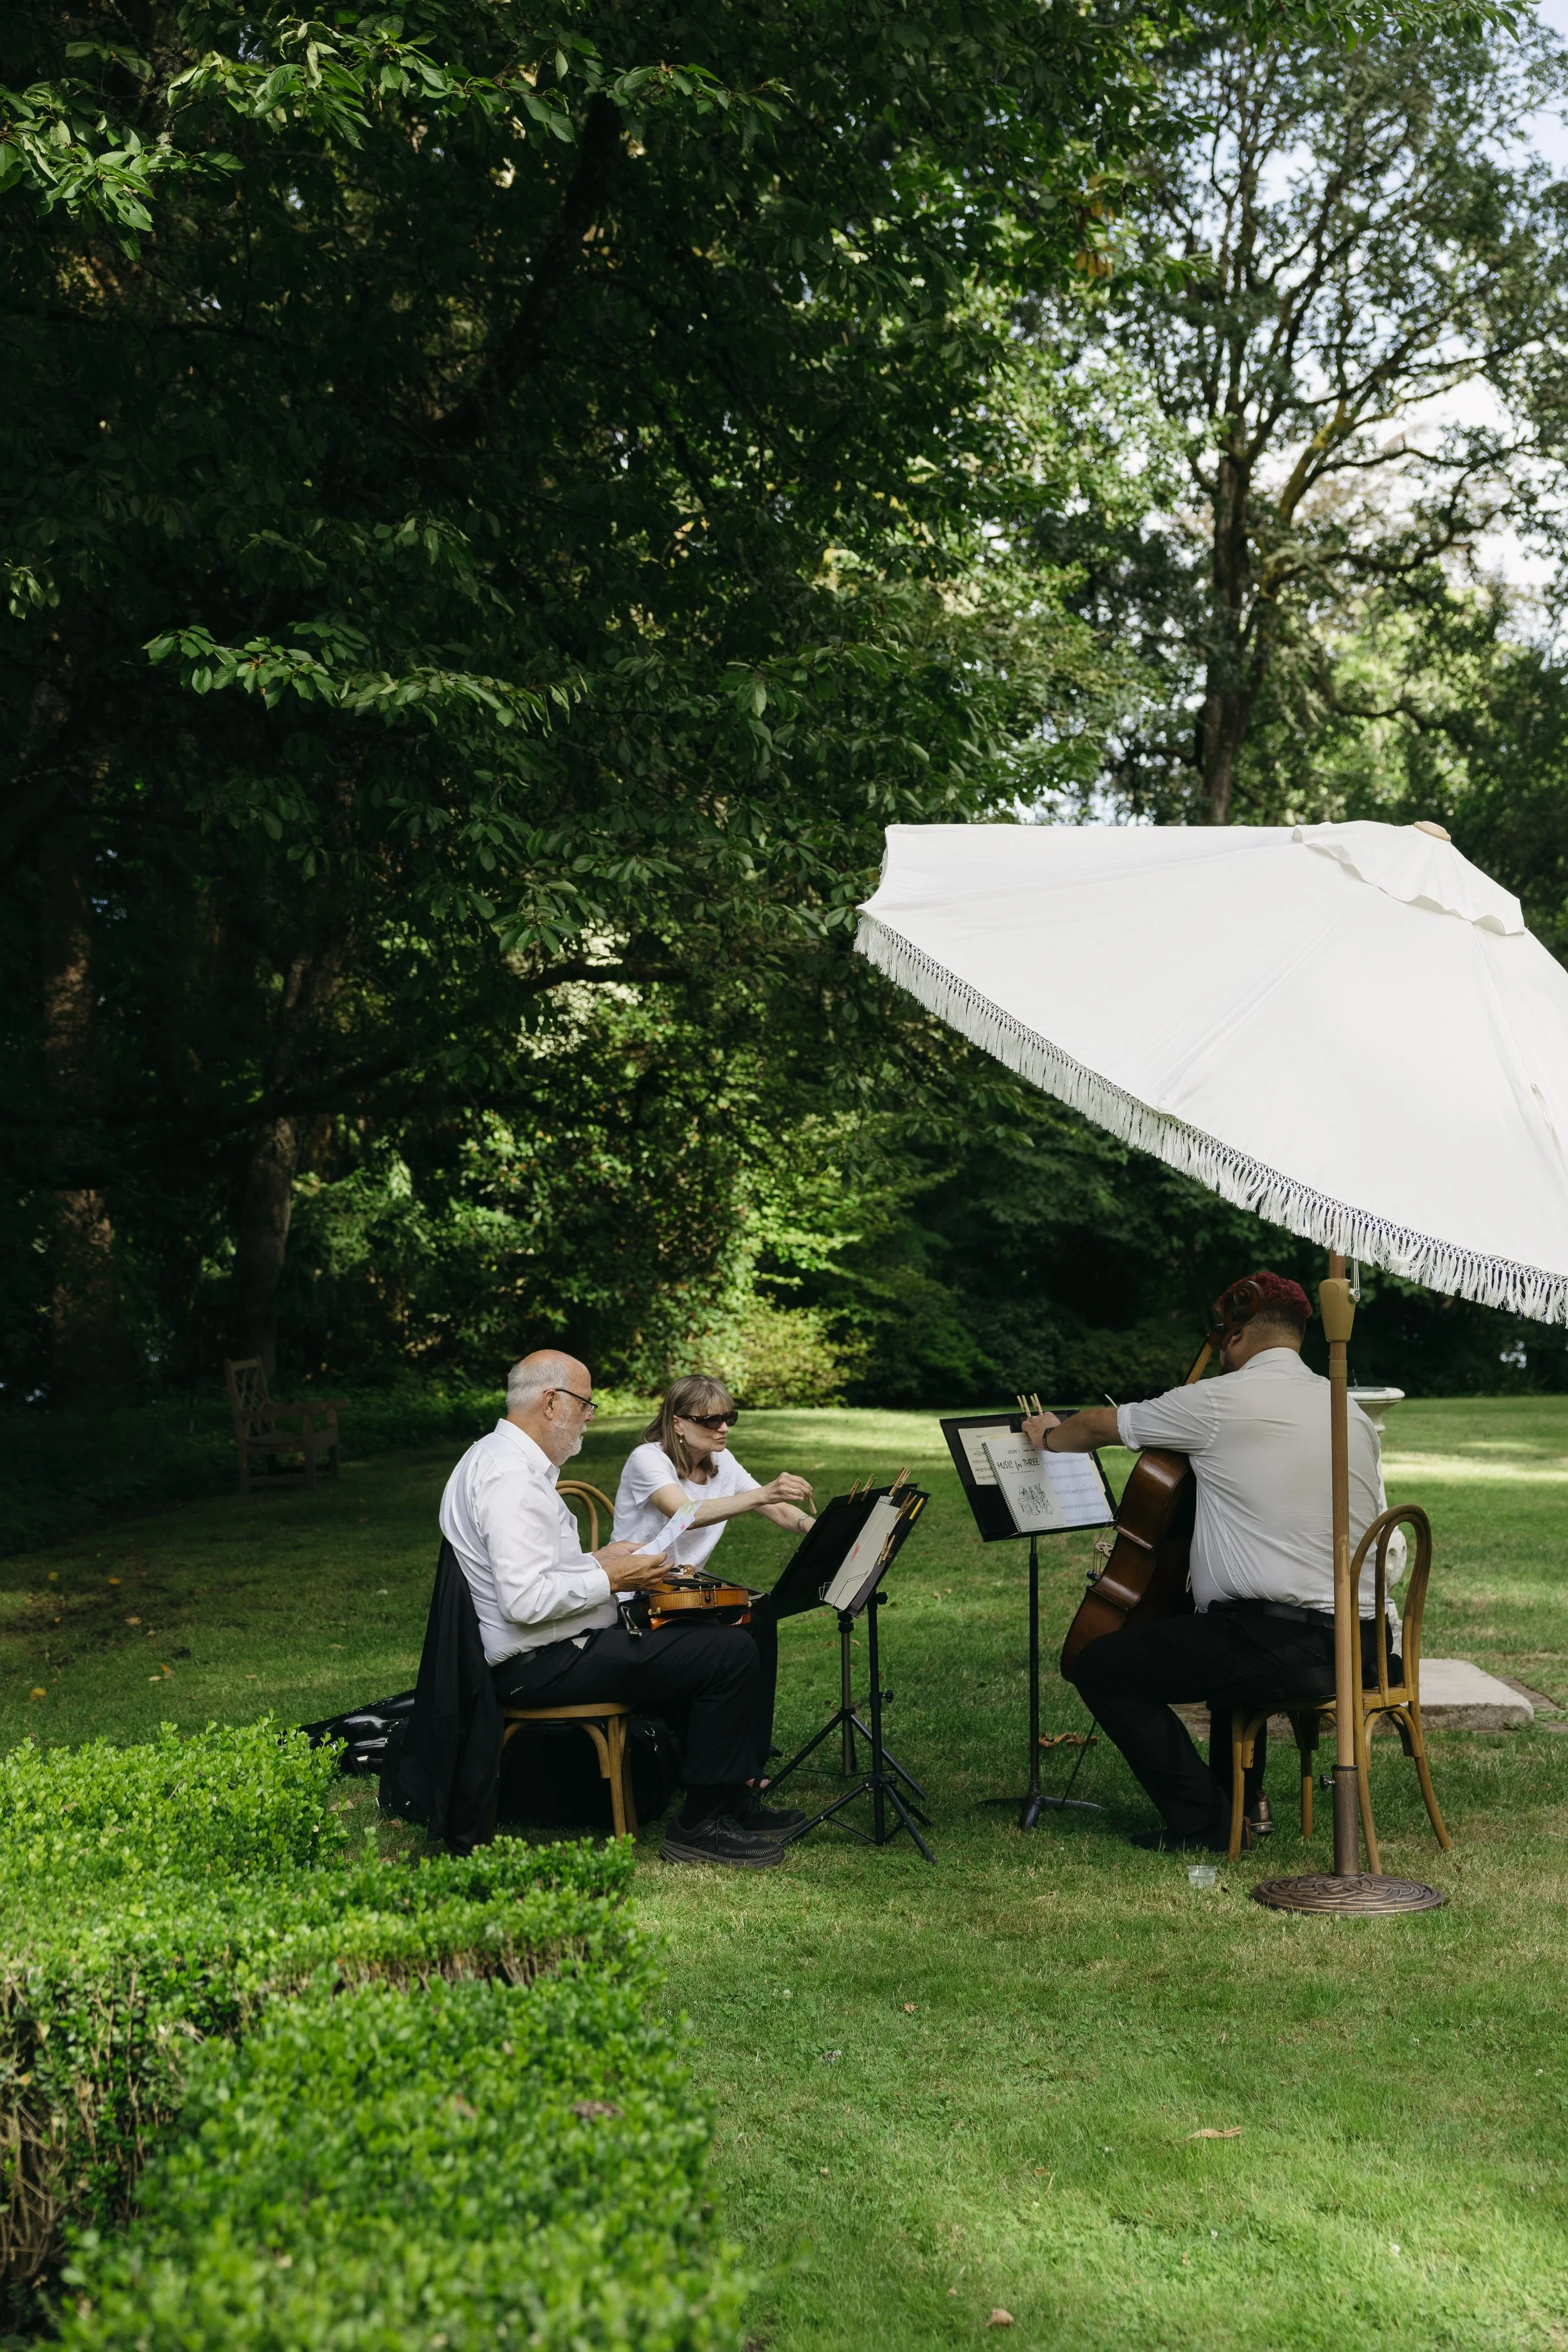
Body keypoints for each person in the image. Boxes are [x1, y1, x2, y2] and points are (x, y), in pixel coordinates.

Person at [1024, 1271, 1398, 1856]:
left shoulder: (1219, 1402)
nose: (1220, 1348)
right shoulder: (1346, 1410)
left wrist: (1047, 1436)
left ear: (1239, 1333)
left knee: (1099, 1666)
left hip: (1283, 1641)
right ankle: (1243, 1805)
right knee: (1223, 1627)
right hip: (1366, 1641)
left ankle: (1204, 1824)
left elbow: (1102, 1425)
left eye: (1223, 1336)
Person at [438, 1347, 795, 1870]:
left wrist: (596, 1559)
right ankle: (700, 1825)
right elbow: (524, 1602)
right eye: (586, 1404)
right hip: (541, 1664)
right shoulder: (510, 1480)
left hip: (556, 1646)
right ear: (552, 1403)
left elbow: (533, 1571)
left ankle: (728, 1797)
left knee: (737, 1628)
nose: (590, 1417)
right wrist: (611, 1576)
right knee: (728, 1653)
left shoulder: (500, 1459)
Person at [614, 1375, 816, 1792]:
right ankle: (732, 1762)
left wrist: (818, 1528)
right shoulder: (648, 1459)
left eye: (728, 1417)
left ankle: (749, 1754)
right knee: (742, 1633)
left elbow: (778, 1511)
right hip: (638, 1599)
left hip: (683, 1593)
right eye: (710, 1420)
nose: (722, 1427)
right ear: (677, 1423)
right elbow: (683, 1511)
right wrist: (762, 1495)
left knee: (761, 1617)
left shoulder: (721, 1462)